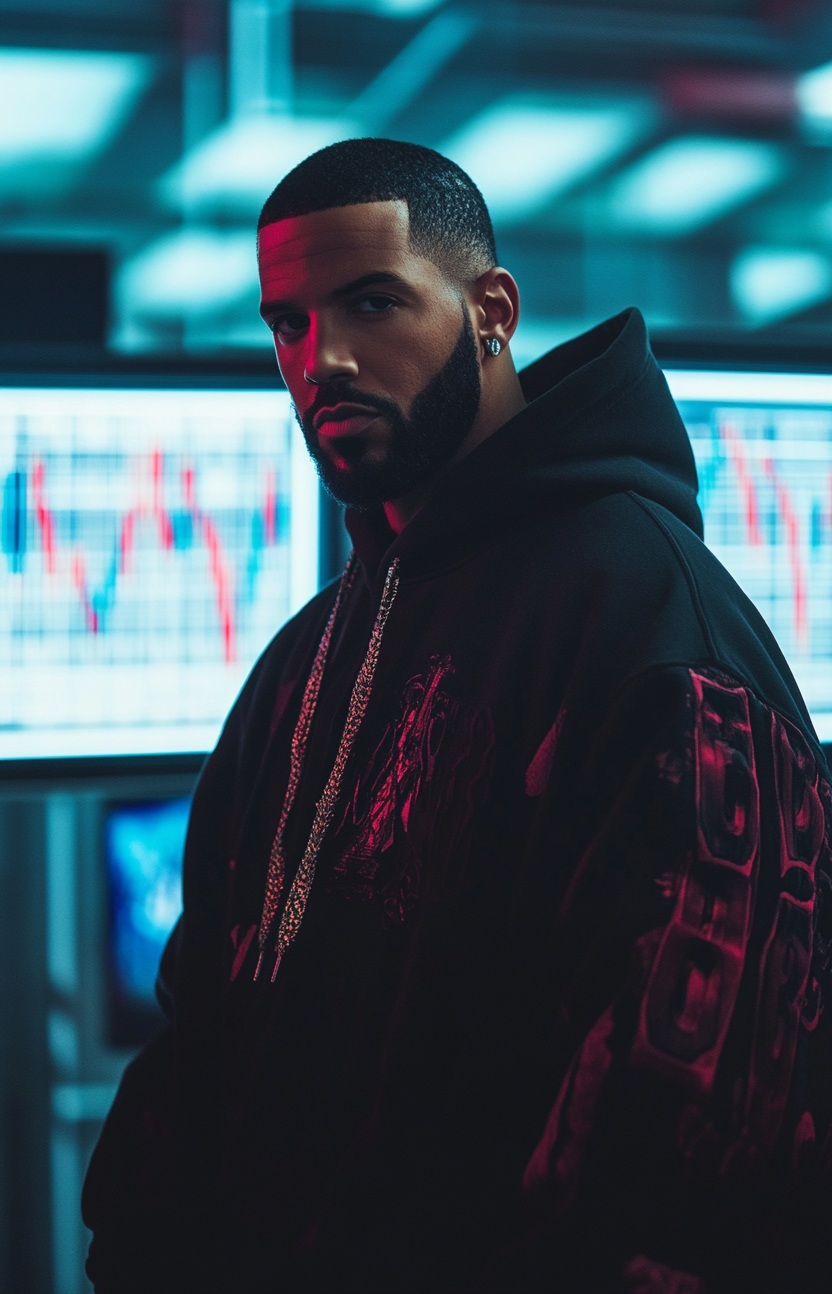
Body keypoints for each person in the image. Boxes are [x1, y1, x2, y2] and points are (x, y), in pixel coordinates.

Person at [83, 139, 832, 1294]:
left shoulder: (650, 626)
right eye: (286, 323)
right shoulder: (306, 659)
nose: (319, 359)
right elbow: (208, 1020)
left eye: (371, 302)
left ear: (490, 309)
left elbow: (698, 1144)